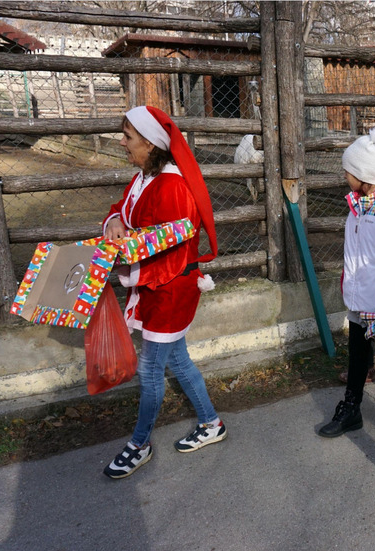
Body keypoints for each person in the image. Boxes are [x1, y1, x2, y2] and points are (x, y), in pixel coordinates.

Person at [101, 105, 226, 479]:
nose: (121, 143)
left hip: (169, 289)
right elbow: (120, 210)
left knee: (151, 368)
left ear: (152, 145)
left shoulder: (171, 185)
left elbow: (173, 248)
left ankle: (139, 444)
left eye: (128, 137)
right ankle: (212, 424)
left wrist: (127, 258)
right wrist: (114, 224)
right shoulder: (144, 179)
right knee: (179, 361)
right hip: (155, 287)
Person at [316, 124, 375, 438]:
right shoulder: (357, 207)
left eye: (348, 171)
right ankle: (352, 408)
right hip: (360, 301)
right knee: (357, 355)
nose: (344, 175)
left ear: (365, 175)